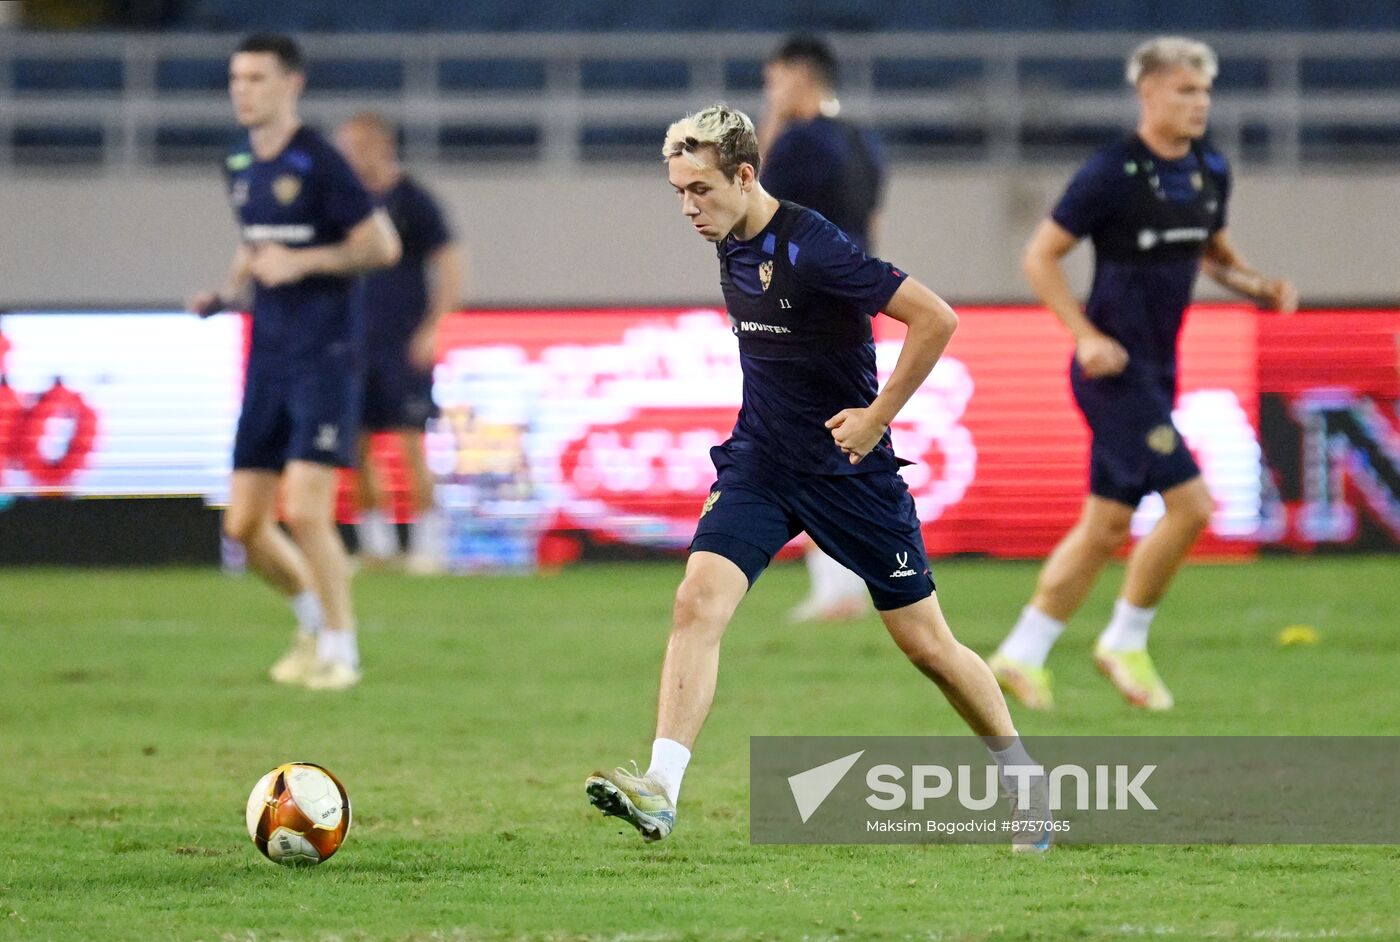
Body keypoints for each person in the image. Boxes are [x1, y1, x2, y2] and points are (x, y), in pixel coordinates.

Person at [586, 105, 1050, 853]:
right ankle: (662, 789)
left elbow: (936, 319)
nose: (687, 208)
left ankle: (1025, 781)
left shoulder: (816, 247)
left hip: (848, 471)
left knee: (928, 646)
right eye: (678, 191)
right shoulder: (729, 241)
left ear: (745, 175)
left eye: (700, 189)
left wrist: (874, 416)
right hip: (763, 464)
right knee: (697, 600)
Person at [988, 37, 1296, 712]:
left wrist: (1254, 285)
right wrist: (1086, 335)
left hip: (1159, 372)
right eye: (1186, 91)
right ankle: (1125, 640)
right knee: (1192, 506)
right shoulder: (1113, 172)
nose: (1199, 104)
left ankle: (1022, 652)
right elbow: (1040, 256)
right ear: (1148, 92)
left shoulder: (1210, 168)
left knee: (1103, 528)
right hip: (1112, 373)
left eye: (1206, 92)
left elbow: (1211, 250)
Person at [187, 34, 401, 691]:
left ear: (291, 85)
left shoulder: (322, 162)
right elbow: (257, 245)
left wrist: (303, 263)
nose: (242, 90)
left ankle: (343, 650)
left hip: (325, 355)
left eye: (255, 78)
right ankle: (312, 622)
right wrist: (228, 292)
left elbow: (382, 247)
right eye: (235, 79)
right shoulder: (237, 161)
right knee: (244, 524)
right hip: (268, 356)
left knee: (307, 509)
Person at [758, 35, 889, 623]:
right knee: (837, 440)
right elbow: (872, 220)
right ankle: (844, 580)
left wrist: (773, 124)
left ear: (795, 77)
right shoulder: (862, 141)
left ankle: (839, 585)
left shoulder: (799, 143)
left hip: (802, 308)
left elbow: (749, 205)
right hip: (854, 303)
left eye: (774, 79)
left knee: (804, 442)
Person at [334, 112, 465, 574]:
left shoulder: (412, 200)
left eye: (358, 143)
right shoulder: (343, 201)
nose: (349, 153)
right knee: (357, 446)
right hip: (353, 342)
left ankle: (427, 546)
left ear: (381, 143)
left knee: (411, 443)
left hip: (401, 341)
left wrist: (434, 325)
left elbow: (448, 262)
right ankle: (376, 546)